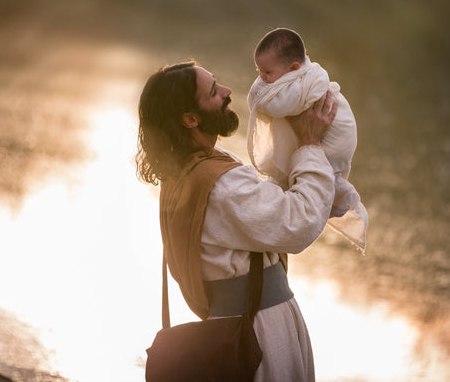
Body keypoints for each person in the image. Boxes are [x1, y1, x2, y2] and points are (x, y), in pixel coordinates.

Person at [136, 60, 337, 381]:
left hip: (236, 322)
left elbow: (263, 209)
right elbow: (299, 223)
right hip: (258, 331)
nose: (228, 92)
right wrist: (311, 146)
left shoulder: (188, 171)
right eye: (214, 92)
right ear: (190, 119)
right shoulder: (220, 184)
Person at [248, 27, 367, 251]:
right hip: (324, 133)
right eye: (259, 71)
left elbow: (269, 103)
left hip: (336, 135)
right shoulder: (291, 76)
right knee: (319, 176)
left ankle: (333, 197)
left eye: (267, 73)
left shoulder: (304, 83)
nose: (261, 78)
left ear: (293, 68)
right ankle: (332, 194)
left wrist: (257, 91)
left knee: (325, 174)